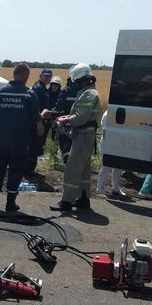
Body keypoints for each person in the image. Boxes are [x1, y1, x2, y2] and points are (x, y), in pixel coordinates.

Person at [0, 63, 43, 212]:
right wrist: (41, 125)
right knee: (16, 171)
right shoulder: (29, 94)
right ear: (23, 75)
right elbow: (36, 119)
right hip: (20, 142)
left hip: (1, 141)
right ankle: (10, 204)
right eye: (28, 76)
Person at [50, 63, 101, 212]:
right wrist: (67, 116)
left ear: (81, 80)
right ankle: (83, 199)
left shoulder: (88, 94)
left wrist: (66, 120)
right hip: (86, 136)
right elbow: (80, 114)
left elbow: (80, 119)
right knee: (84, 170)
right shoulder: (89, 92)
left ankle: (66, 202)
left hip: (83, 136)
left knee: (72, 169)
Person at [25, 68, 53, 176]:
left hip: (39, 121)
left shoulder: (43, 88)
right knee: (33, 146)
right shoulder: (38, 88)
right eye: (45, 76)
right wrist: (39, 122)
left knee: (36, 146)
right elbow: (34, 107)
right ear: (40, 76)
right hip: (36, 122)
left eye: (49, 76)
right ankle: (28, 171)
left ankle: (30, 169)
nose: (47, 78)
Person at [95, 110, 125, 197]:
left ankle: (115, 188)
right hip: (108, 143)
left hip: (118, 143)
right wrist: (109, 145)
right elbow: (105, 132)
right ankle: (99, 189)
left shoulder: (121, 111)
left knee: (118, 166)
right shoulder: (108, 114)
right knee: (106, 166)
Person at [55, 77, 78, 164]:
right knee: (74, 143)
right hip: (77, 121)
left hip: (65, 120)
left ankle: (66, 161)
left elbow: (59, 107)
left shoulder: (65, 90)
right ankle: (73, 162)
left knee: (64, 142)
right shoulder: (81, 91)